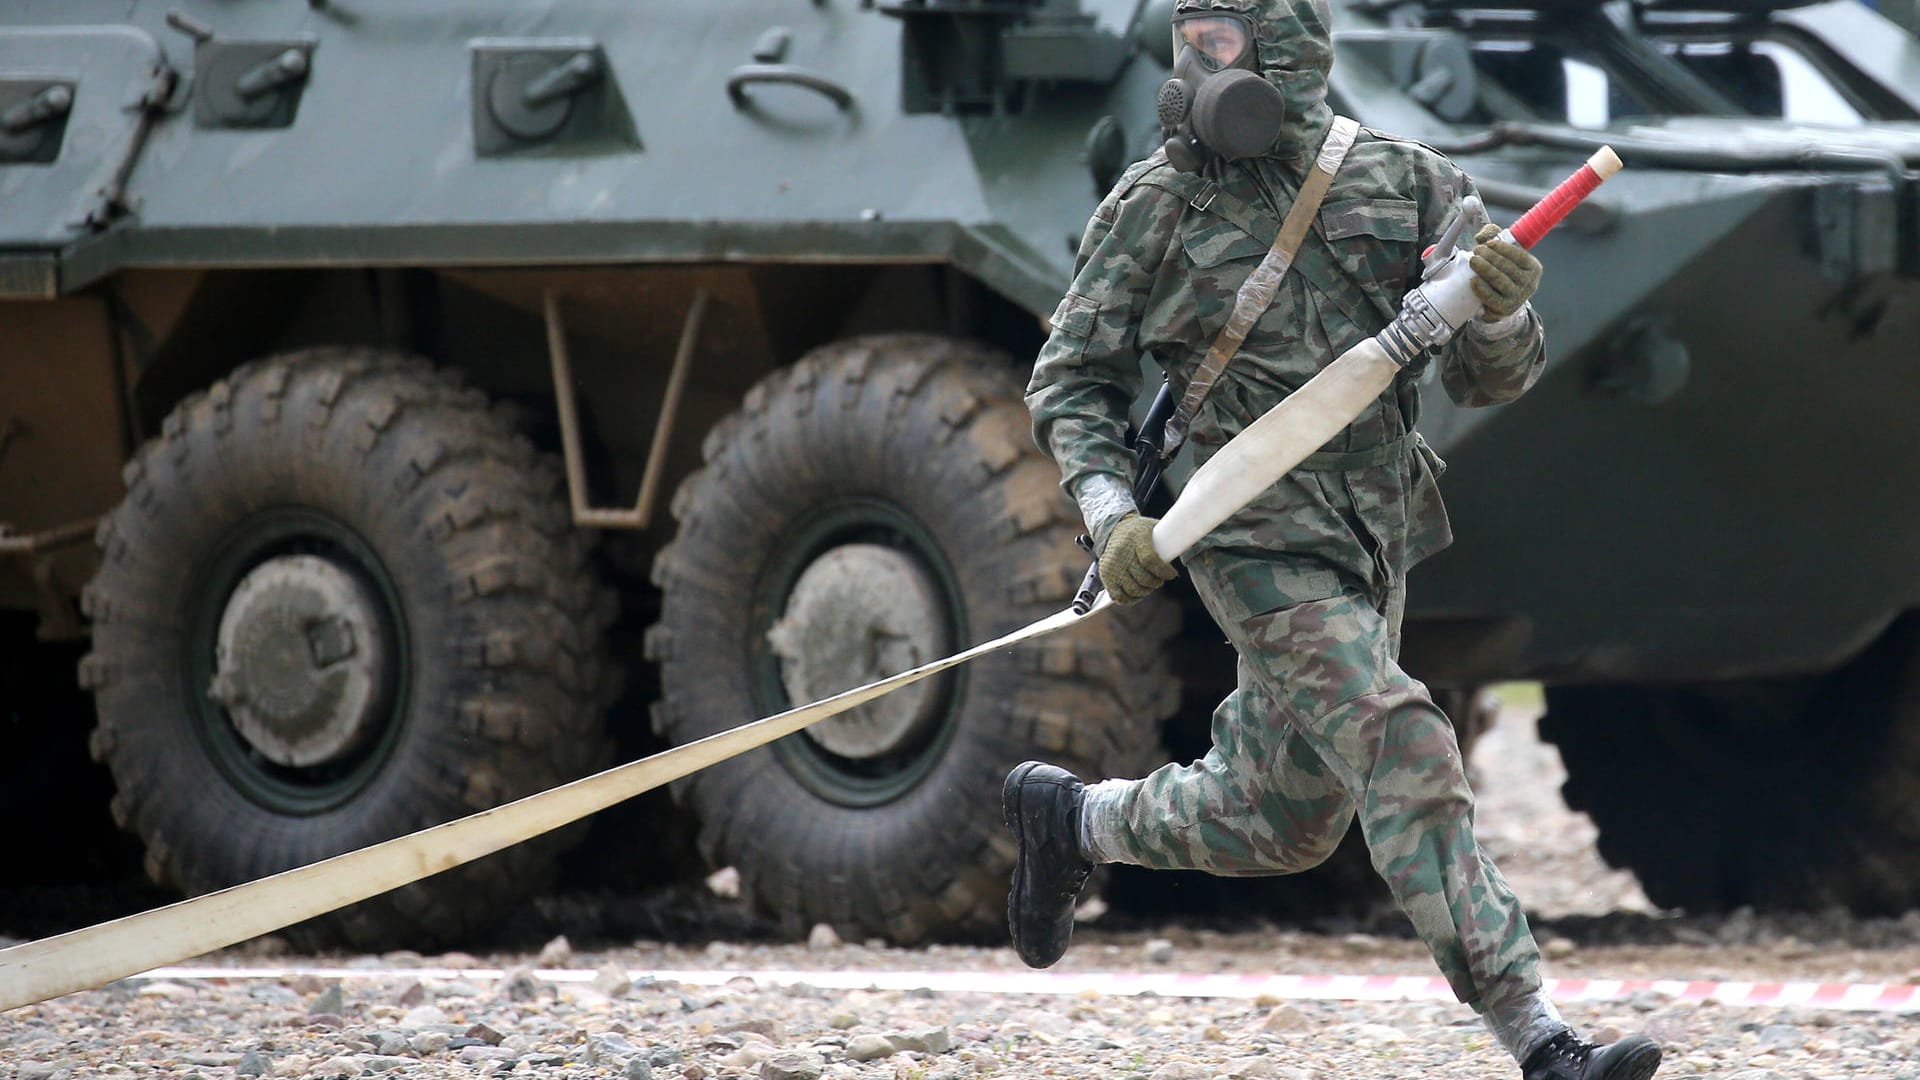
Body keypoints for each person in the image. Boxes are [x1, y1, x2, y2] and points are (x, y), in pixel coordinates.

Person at [1007, 3, 1663, 1079]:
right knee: (1404, 740)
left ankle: (1075, 820)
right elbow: (1072, 379)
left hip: (1374, 532)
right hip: (1247, 536)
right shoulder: (1158, 203)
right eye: (1191, 37)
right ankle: (1538, 1037)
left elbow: (1489, 377)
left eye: (1221, 40)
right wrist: (1109, 511)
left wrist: (1498, 311)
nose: (1195, 63)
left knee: (1284, 814)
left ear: (1289, 56)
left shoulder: (1409, 184)